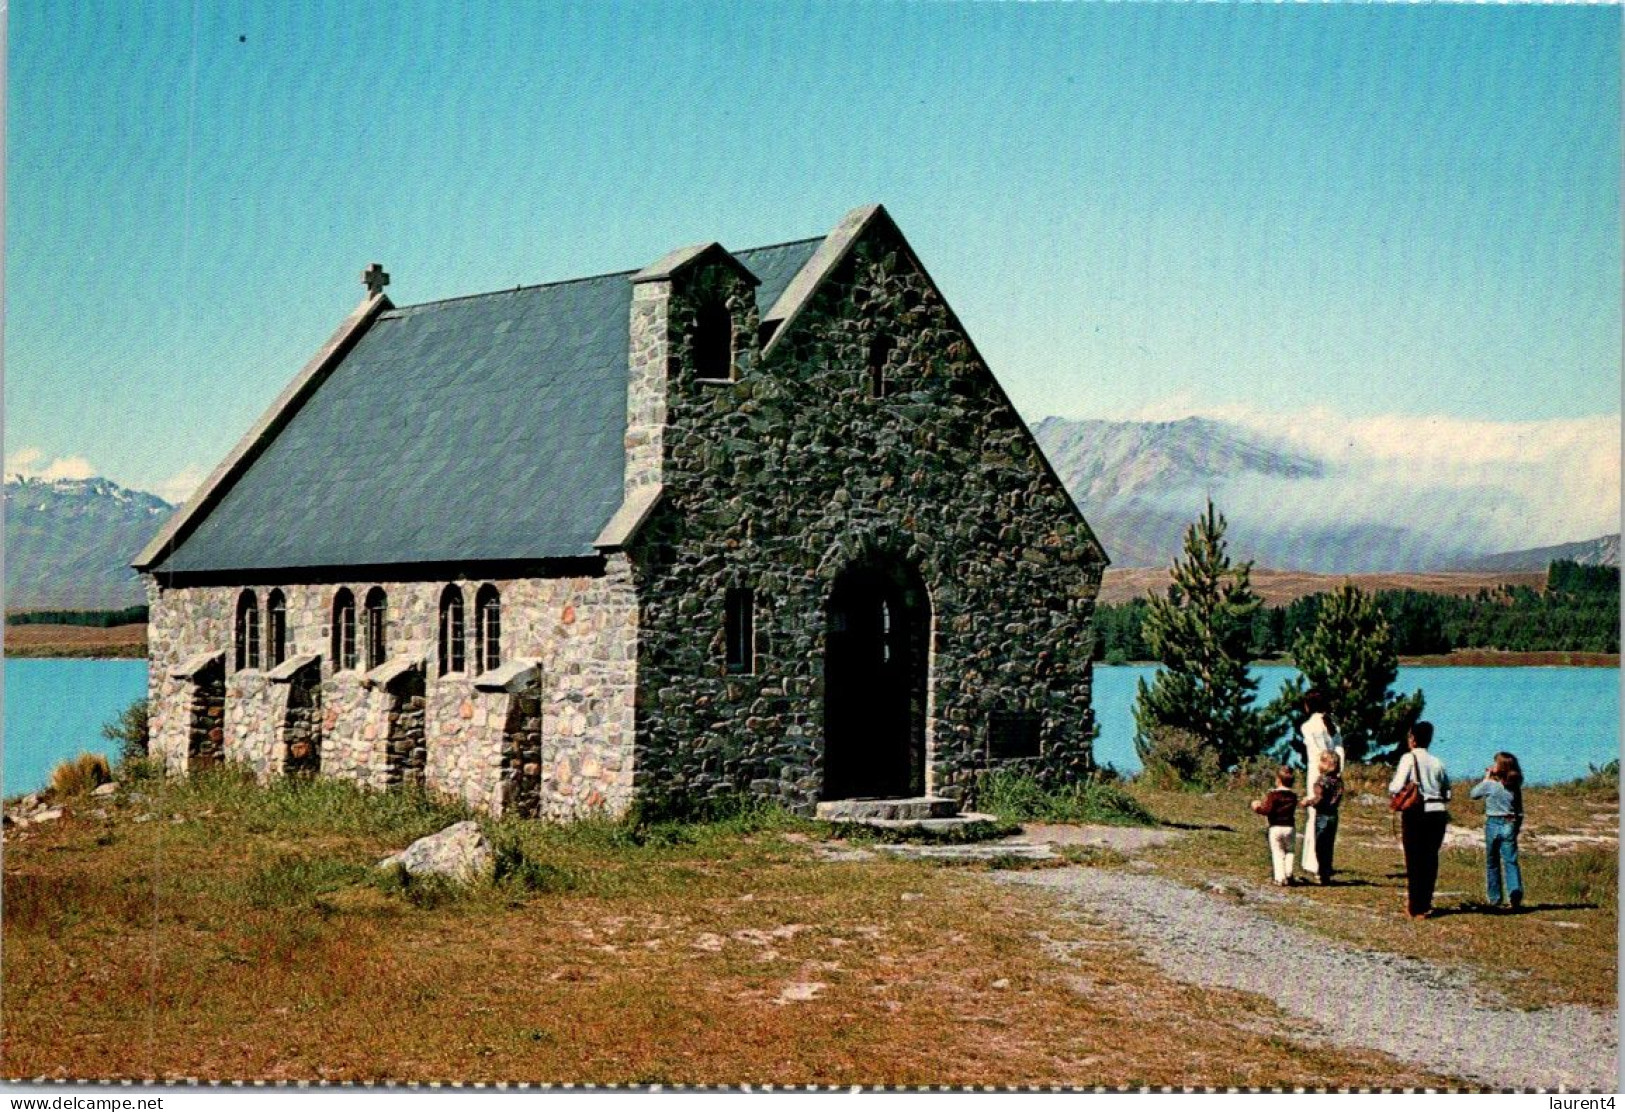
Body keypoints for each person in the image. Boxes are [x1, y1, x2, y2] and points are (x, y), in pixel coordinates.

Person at [1389, 721, 1450, 919]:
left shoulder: (1409, 758)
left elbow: (1396, 786)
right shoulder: (1438, 762)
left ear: (1413, 739)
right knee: (1430, 859)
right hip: (1438, 812)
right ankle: (1426, 903)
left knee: (1414, 859)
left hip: (1417, 812)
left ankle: (1414, 906)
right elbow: (1447, 792)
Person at [1299, 690, 1346, 878]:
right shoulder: (1332, 725)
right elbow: (1339, 748)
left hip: (1317, 771)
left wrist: (1322, 770)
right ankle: (1324, 862)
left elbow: (1317, 754)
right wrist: (1337, 770)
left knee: (1315, 815)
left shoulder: (1308, 726)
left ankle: (1313, 861)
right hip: (1333, 773)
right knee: (1329, 814)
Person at [1470, 752, 1525, 910]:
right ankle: (1514, 893)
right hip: (1510, 821)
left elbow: (1473, 794)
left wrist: (1487, 777)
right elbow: (1519, 809)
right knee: (1510, 860)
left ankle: (1495, 898)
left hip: (1493, 822)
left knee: (1492, 861)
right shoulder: (1515, 787)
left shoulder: (1490, 785)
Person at [1298, 749, 1344, 884]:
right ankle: (1326, 872)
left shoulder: (1322, 780)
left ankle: (1322, 873)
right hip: (1334, 815)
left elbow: (1319, 798)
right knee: (1328, 845)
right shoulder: (1338, 781)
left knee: (1320, 845)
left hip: (1323, 815)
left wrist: (1308, 802)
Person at [1251, 766, 1299, 886]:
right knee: (1290, 851)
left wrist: (1257, 808)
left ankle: (1279, 878)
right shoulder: (1293, 796)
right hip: (1289, 827)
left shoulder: (1273, 795)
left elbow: (1267, 810)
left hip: (1275, 827)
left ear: (1278, 780)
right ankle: (1289, 872)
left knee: (1277, 852)